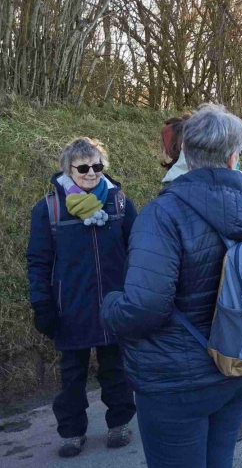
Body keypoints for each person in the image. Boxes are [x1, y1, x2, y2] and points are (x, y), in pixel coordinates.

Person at [103, 106, 242, 467]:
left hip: (176, 379)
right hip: (238, 363)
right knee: (218, 459)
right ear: (234, 155)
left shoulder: (162, 215)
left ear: (187, 154)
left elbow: (144, 308)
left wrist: (109, 304)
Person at [159, 111, 242, 442]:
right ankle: (237, 416)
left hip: (197, 299)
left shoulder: (174, 188)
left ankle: (230, 417)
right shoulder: (241, 182)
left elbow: (152, 289)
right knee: (238, 339)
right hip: (237, 286)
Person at [27, 138, 137, 458]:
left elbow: (138, 250)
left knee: (115, 369)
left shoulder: (119, 203)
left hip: (114, 303)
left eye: (97, 166)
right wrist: (42, 304)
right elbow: (38, 261)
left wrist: (138, 293)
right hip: (70, 307)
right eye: (84, 167)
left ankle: (119, 424)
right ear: (68, 169)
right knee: (72, 375)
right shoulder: (49, 208)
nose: (92, 173)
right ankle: (72, 432)